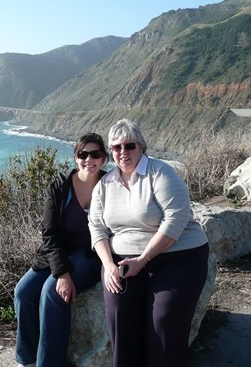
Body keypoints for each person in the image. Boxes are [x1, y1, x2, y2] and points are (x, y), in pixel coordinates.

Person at [89, 119, 209, 367]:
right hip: (124, 261)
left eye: (129, 145)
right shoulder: (105, 184)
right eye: (116, 147)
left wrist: (143, 259)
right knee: (119, 314)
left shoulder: (160, 172)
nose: (123, 153)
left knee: (163, 318)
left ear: (141, 147)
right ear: (110, 152)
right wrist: (109, 265)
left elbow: (176, 219)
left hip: (178, 256)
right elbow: (96, 226)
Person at [14, 132, 109, 367]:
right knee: (23, 293)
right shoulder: (60, 187)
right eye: (82, 154)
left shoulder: (111, 186)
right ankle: (27, 359)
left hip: (92, 254)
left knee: (52, 291)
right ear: (75, 158)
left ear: (104, 158)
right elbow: (50, 233)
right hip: (58, 253)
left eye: (95, 154)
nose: (89, 159)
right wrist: (62, 272)